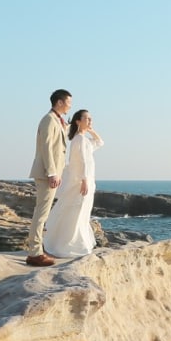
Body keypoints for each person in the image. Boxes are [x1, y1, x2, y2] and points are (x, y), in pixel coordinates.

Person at [43, 109, 103, 258]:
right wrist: (84, 180)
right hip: (82, 181)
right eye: (87, 119)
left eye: (91, 119)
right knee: (76, 212)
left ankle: (75, 243)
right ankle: (68, 245)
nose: (90, 121)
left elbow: (100, 142)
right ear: (78, 121)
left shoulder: (83, 139)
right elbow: (82, 161)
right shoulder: (80, 139)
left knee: (82, 213)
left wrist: (91, 130)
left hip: (87, 180)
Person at [25, 88, 72, 267]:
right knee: (41, 213)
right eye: (68, 102)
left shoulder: (57, 121)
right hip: (46, 173)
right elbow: (46, 149)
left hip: (51, 173)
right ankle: (35, 253)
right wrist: (52, 172)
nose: (70, 106)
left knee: (42, 212)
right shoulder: (48, 120)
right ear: (59, 102)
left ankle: (36, 251)